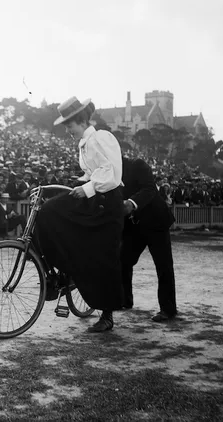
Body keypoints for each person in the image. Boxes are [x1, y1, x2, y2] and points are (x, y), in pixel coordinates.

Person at [34, 97, 124, 333]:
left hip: (108, 203)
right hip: (94, 197)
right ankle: (64, 272)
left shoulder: (101, 137)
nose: (68, 131)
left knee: (103, 257)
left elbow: (111, 174)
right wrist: (76, 185)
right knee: (47, 212)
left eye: (70, 126)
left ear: (82, 121)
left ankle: (107, 315)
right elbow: (90, 175)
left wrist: (86, 189)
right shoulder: (84, 143)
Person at [121, 156, 177, 322]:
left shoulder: (137, 164)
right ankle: (125, 300)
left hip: (155, 223)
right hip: (134, 225)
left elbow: (149, 189)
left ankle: (168, 310)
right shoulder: (108, 172)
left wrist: (131, 203)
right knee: (122, 260)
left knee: (163, 266)